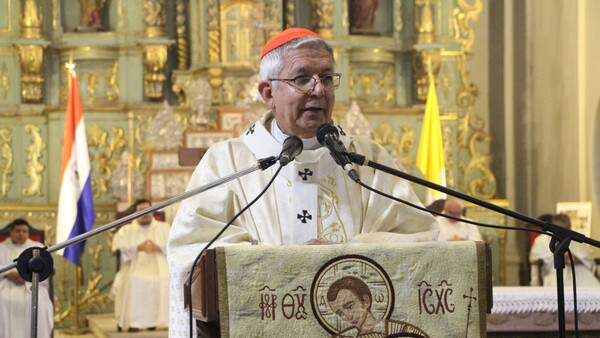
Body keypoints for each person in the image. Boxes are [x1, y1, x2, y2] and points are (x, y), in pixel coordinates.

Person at [167, 27, 439, 337]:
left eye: (326, 78)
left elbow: (424, 241)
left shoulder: (365, 160)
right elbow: (190, 256)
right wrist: (289, 265)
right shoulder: (226, 163)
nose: (319, 90)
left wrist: (346, 254)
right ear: (268, 93)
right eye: (301, 79)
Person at [111, 199, 170, 332]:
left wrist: (159, 247)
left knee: (165, 279)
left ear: (153, 211)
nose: (145, 214)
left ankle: (158, 322)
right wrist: (138, 248)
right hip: (135, 266)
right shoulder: (126, 230)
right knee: (134, 281)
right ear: (136, 213)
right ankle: (134, 323)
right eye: (141, 211)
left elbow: (173, 247)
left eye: (148, 211)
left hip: (159, 265)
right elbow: (119, 248)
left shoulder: (164, 228)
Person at [0, 219, 54, 338]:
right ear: (11, 232)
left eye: (24, 231)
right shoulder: (1, 247)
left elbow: (46, 270)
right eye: (18, 231)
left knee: (38, 301)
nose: (21, 234)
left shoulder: (37, 248)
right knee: (2, 300)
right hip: (6, 284)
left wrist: (27, 276)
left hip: (33, 284)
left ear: (28, 233)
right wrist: (7, 274)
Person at [529, 213, 600, 287]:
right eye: (561, 228)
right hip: (554, 273)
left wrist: (576, 259)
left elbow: (587, 257)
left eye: (567, 228)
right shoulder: (542, 240)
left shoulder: (576, 237)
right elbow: (537, 259)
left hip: (579, 272)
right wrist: (558, 256)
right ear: (554, 227)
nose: (565, 232)